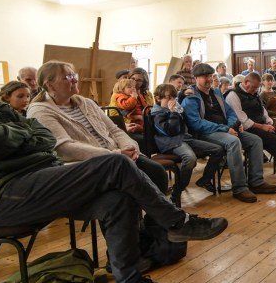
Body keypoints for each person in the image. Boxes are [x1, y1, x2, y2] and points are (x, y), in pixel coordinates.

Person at [0, 41, 228, 283]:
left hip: (39, 177)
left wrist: (17, 138)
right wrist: (21, 137)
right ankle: (178, 223)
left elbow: (43, 138)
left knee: (117, 200)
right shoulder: (24, 110)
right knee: (116, 163)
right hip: (2, 195)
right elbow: (13, 140)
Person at [27, 61, 170, 195]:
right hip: (88, 166)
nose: (75, 80)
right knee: (130, 189)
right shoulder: (41, 111)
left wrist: (130, 148)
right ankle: (167, 218)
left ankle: (157, 221)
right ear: (50, 85)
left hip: (118, 157)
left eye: (74, 75)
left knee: (157, 172)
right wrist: (115, 154)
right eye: (68, 77)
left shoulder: (87, 102)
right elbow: (64, 147)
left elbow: (114, 129)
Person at [181, 63, 276, 203]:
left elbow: (230, 111)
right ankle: (239, 188)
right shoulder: (190, 98)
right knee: (233, 142)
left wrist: (233, 124)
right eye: (204, 77)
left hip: (227, 129)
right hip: (206, 133)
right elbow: (197, 124)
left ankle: (256, 182)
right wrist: (224, 128)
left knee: (255, 140)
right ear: (196, 78)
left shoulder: (216, 93)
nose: (208, 79)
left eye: (210, 76)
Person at [151, 84, 225, 203]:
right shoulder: (157, 113)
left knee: (217, 149)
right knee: (190, 158)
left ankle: (205, 179)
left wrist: (181, 95)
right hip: (171, 143)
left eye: (173, 98)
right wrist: (173, 113)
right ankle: (178, 190)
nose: (172, 101)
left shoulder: (173, 108)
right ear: (159, 98)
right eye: (168, 98)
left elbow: (181, 104)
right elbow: (171, 131)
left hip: (185, 139)